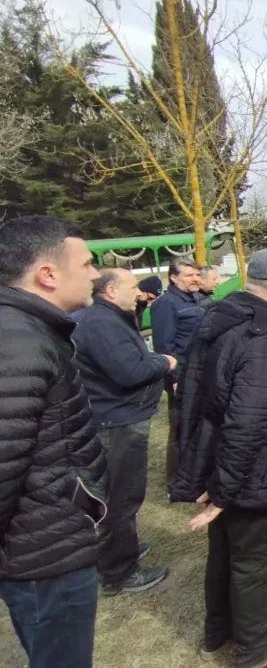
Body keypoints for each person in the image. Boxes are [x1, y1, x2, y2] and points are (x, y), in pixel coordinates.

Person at [171, 249, 267, 668]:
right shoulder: (265, 336)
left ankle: (218, 635)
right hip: (257, 474)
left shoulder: (224, 316)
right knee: (252, 565)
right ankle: (255, 651)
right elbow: (247, 421)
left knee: (224, 555)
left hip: (224, 466)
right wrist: (223, 492)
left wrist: (214, 479)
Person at [0, 216, 106, 668]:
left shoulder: (30, 330)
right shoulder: (17, 342)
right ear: (47, 274)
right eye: (86, 263)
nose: (95, 274)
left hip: (49, 540)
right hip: (44, 557)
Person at [73, 268, 174, 596]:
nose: (140, 292)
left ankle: (120, 550)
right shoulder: (101, 324)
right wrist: (165, 362)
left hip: (117, 418)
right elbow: (128, 372)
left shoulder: (108, 318)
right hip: (117, 422)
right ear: (111, 291)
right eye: (132, 286)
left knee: (120, 496)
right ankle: (120, 572)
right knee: (122, 498)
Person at [151, 258, 206, 491]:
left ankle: (194, 474)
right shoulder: (166, 304)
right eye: (189, 275)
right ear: (174, 278)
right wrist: (173, 379)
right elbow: (164, 345)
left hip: (199, 374)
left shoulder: (194, 299)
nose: (195, 279)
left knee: (196, 427)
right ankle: (175, 482)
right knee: (179, 428)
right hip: (181, 377)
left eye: (197, 274)